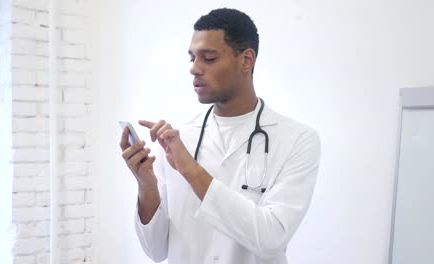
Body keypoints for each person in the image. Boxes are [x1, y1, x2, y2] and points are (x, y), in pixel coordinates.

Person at [120, 8, 320, 264]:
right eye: (192, 58)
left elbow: (271, 239)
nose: (194, 69)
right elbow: (156, 251)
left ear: (246, 60)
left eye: (209, 58)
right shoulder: (176, 138)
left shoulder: (298, 139)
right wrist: (147, 186)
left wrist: (191, 170)